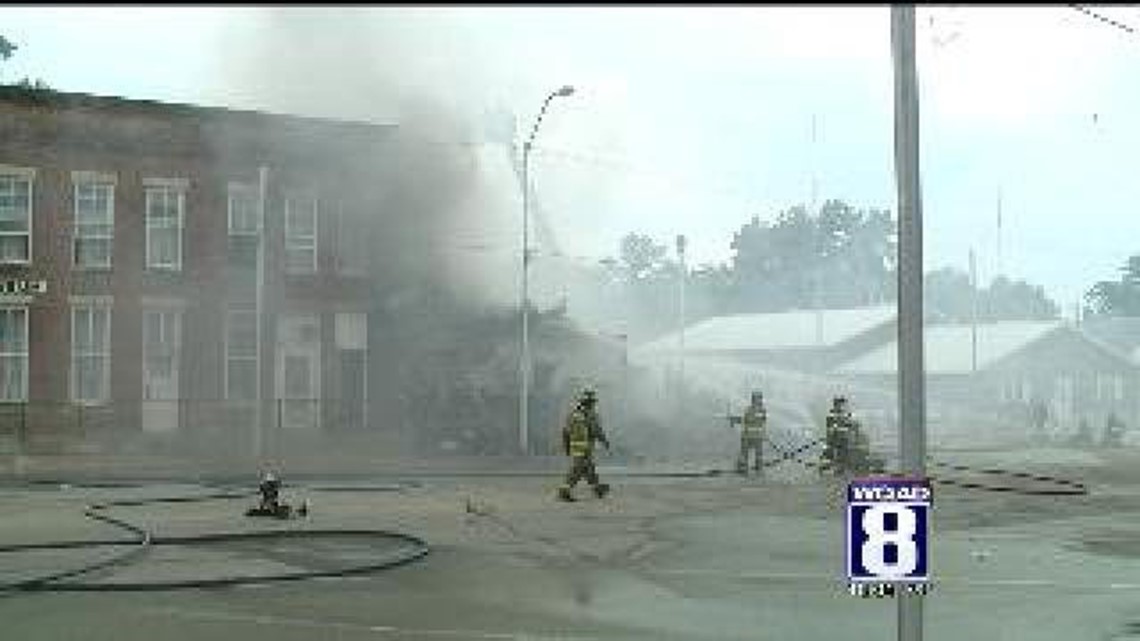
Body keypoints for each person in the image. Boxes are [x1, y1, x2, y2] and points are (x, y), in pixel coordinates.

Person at [557, 387, 611, 502]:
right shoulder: (590, 414)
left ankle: (597, 488)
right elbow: (596, 430)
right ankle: (564, 491)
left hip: (575, 447)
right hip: (585, 447)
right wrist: (604, 441)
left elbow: (565, 431)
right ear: (591, 402)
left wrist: (566, 447)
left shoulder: (573, 414)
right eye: (593, 402)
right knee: (578, 470)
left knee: (589, 468)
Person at [730, 390, 767, 475]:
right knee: (745, 453)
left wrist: (736, 419)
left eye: (758, 399)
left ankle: (757, 468)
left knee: (756, 454)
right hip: (749, 436)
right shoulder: (751, 410)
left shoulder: (760, 411)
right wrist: (735, 419)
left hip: (754, 436)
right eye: (756, 399)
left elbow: (749, 420)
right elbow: (746, 419)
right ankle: (744, 468)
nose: (758, 400)